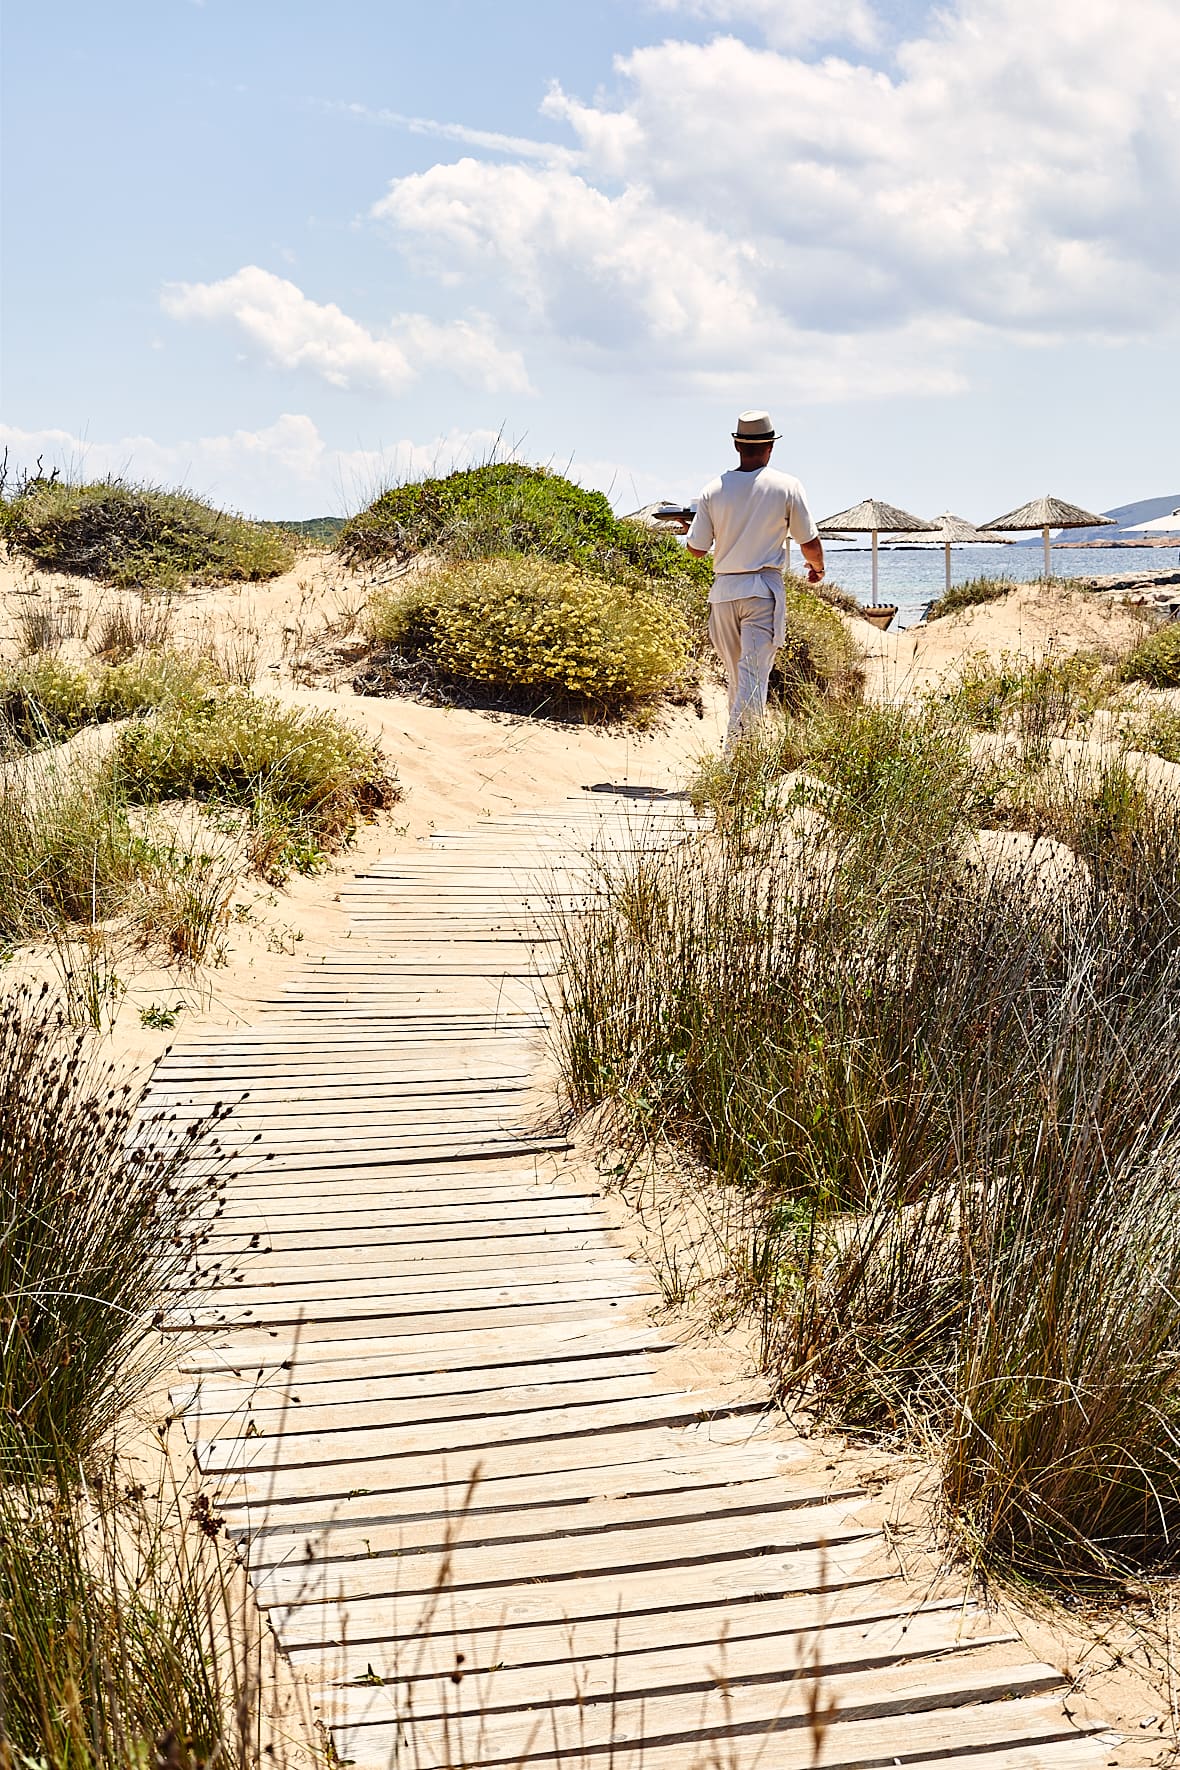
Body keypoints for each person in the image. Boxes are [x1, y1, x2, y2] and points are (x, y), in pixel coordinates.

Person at [683, 410, 825, 746]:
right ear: (770, 447)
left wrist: (692, 530)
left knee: (739, 679)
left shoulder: (712, 490)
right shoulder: (787, 486)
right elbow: (810, 543)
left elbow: (697, 550)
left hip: (723, 593)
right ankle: (738, 764)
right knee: (751, 678)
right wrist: (818, 570)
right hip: (761, 590)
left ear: (736, 444)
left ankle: (741, 757)